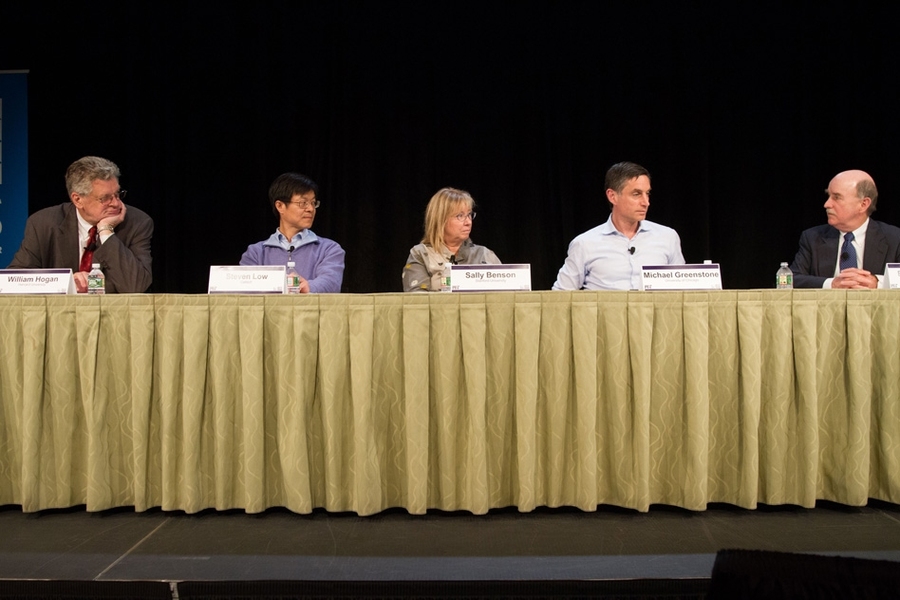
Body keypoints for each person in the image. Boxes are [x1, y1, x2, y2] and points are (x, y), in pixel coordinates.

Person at [7, 156, 153, 293]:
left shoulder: (137, 223)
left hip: (113, 317)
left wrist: (106, 231)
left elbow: (136, 285)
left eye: (117, 194)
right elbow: (14, 281)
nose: (116, 203)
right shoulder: (44, 223)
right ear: (77, 200)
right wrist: (67, 282)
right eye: (105, 198)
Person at [553, 161, 685, 291]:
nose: (646, 202)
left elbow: (684, 290)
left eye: (647, 193)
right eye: (636, 194)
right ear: (612, 196)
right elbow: (560, 296)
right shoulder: (584, 244)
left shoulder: (668, 237)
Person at [790, 169, 900, 289]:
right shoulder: (813, 237)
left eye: (836, 197)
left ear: (863, 204)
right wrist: (831, 284)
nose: (827, 204)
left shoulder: (894, 238)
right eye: (828, 196)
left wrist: (877, 283)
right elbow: (791, 279)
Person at [240, 172, 344, 293]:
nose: (310, 209)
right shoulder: (256, 253)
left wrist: (307, 287)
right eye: (303, 203)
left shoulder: (329, 249)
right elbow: (245, 290)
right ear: (280, 206)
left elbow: (331, 282)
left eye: (313, 203)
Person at [402, 187, 500, 292]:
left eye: (469, 215)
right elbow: (416, 301)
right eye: (460, 216)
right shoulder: (420, 254)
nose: (468, 222)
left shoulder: (484, 255)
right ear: (440, 220)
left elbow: (504, 297)